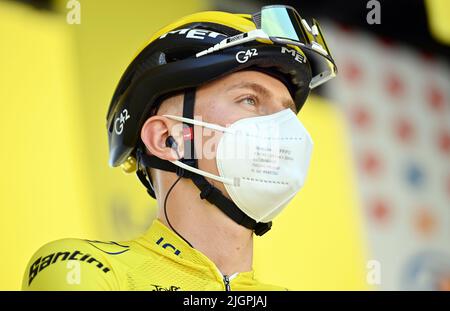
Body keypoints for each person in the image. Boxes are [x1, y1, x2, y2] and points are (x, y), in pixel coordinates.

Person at [22, 4, 337, 291]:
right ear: (166, 139)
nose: (284, 130)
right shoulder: (83, 268)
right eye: (250, 99)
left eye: (287, 114)